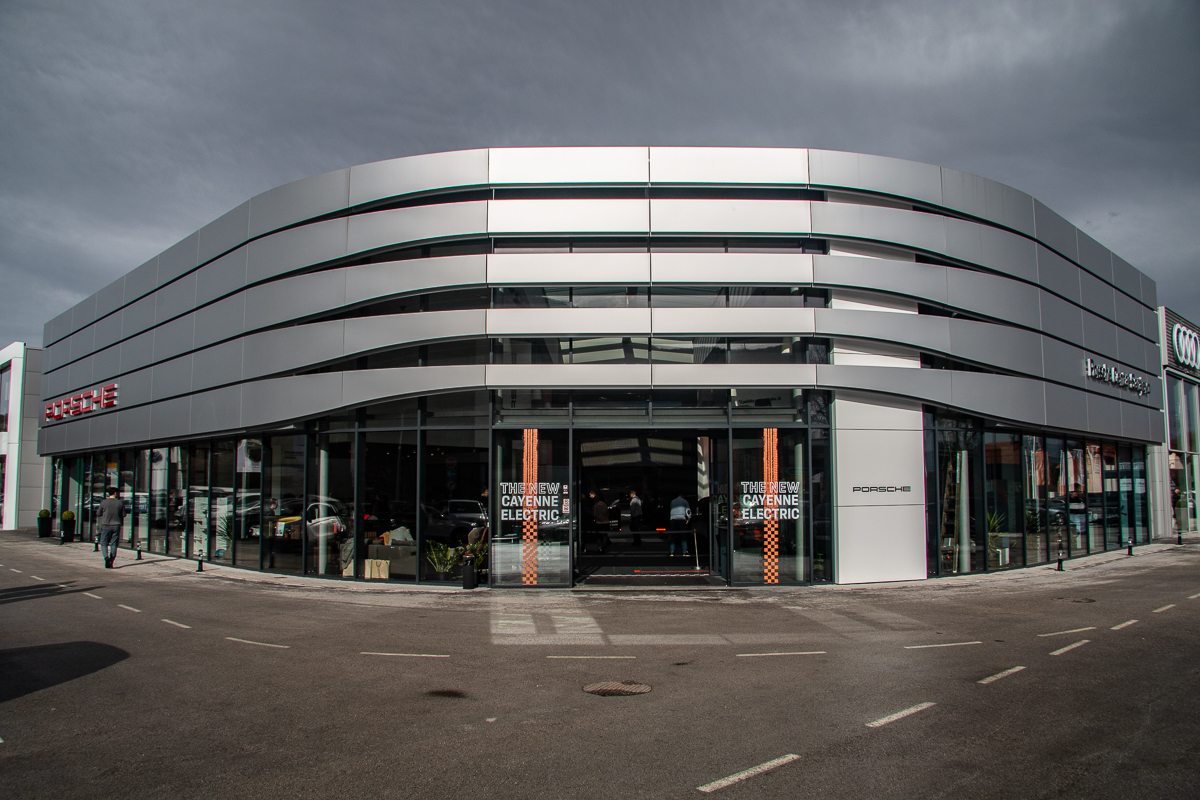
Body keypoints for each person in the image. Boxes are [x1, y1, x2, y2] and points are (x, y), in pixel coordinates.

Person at [97, 488, 124, 569]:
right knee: (114, 544)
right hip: (116, 525)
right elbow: (123, 514)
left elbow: (98, 513)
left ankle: (106, 557)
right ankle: (111, 561)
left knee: (103, 543)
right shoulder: (119, 503)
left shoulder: (104, 502)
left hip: (105, 525)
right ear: (115, 493)